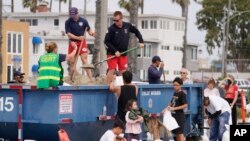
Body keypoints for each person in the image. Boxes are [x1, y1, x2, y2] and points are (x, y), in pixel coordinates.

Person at [104, 11, 144, 84]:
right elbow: (106, 42)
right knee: (112, 70)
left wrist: (141, 41)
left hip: (123, 53)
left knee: (124, 71)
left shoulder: (128, 25)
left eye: (117, 20)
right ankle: (107, 86)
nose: (115, 22)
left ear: (121, 19)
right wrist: (115, 51)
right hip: (112, 53)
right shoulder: (111, 29)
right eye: (114, 20)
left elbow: (136, 31)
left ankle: (125, 87)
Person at [65, 7, 95, 81]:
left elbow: (88, 30)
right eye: (71, 15)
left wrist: (92, 34)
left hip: (82, 42)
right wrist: (78, 38)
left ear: (77, 13)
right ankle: (75, 77)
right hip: (73, 42)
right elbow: (69, 34)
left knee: (84, 59)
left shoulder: (83, 21)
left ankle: (90, 78)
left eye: (74, 15)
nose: (73, 17)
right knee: (72, 61)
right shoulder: (68, 22)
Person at [163, 77, 187, 141]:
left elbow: (185, 105)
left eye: (176, 85)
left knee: (180, 134)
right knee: (176, 134)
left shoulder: (182, 94)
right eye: (173, 85)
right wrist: (166, 109)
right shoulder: (175, 93)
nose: (174, 86)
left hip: (179, 117)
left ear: (180, 85)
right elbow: (171, 103)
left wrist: (175, 108)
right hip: (174, 117)